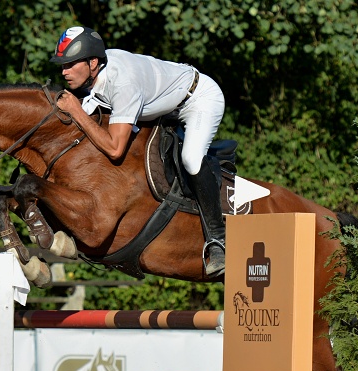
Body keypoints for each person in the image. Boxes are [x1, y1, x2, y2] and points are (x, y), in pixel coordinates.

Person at [52, 26, 227, 278]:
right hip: (164, 105)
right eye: (62, 65)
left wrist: (76, 111)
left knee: (190, 159)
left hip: (198, 100)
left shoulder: (123, 83)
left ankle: (218, 241)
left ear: (93, 63)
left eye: (70, 64)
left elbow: (115, 149)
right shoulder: (99, 73)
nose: (64, 71)